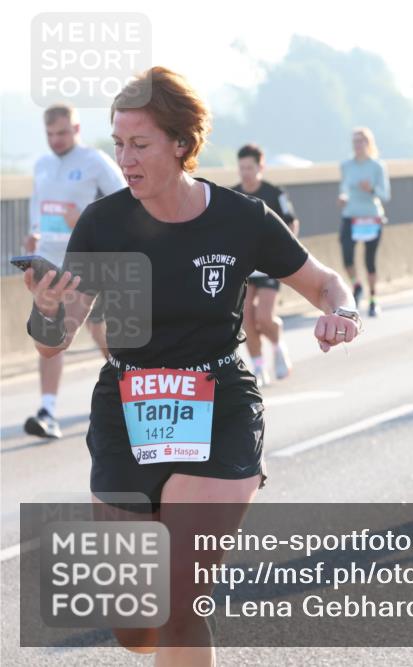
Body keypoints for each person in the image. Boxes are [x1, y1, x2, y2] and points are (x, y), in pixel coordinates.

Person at [23, 66, 361, 664]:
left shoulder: (239, 218)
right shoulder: (104, 223)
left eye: (140, 144)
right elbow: (55, 339)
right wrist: (46, 312)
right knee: (136, 625)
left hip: (217, 403)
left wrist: (344, 312)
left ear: (182, 143)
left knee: (182, 600)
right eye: (118, 143)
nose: (125, 159)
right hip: (127, 407)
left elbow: (325, 282)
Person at [23, 103, 126, 439]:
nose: (56, 140)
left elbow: (128, 203)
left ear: (77, 129)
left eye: (63, 133)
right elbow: (37, 207)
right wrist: (33, 235)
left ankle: (130, 390)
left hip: (90, 262)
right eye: (50, 134)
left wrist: (81, 218)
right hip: (50, 262)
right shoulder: (41, 164)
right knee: (49, 331)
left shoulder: (95, 162)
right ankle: (48, 411)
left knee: (102, 334)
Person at [232, 144, 300, 384]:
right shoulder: (233, 195)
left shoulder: (274, 193)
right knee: (246, 318)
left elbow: (292, 223)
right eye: (241, 168)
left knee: (263, 316)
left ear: (261, 167)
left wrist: (285, 254)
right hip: (244, 266)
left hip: (270, 263)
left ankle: (278, 345)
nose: (245, 173)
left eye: (250, 167)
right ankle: (259, 368)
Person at [339, 127, 390, 317]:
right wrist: (342, 197)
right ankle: (356, 284)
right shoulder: (346, 165)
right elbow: (343, 188)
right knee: (346, 257)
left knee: (370, 260)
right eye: (355, 141)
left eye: (361, 141)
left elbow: (385, 194)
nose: (358, 145)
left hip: (371, 217)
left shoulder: (377, 166)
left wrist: (371, 189)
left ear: (368, 144)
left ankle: (373, 300)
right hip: (351, 215)